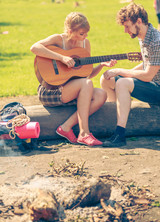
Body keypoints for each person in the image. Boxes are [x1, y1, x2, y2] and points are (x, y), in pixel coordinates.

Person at [30, 12, 117, 147]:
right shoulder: (59, 40)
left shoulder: (84, 44)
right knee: (87, 84)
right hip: (51, 90)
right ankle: (84, 133)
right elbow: (34, 47)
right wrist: (62, 58)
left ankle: (65, 127)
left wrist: (101, 65)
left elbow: (85, 75)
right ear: (70, 31)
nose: (85, 36)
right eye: (82, 33)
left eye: (86, 33)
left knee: (101, 94)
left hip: (70, 90)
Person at [100, 2, 160, 148]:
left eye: (127, 26)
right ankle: (114, 122)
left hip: (157, 87)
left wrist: (121, 72)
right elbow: (149, 64)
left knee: (122, 82)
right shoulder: (144, 36)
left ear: (138, 21)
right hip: (152, 83)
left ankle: (120, 134)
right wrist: (126, 74)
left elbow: (148, 75)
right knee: (106, 79)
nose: (125, 31)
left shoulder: (156, 42)